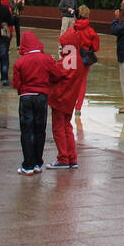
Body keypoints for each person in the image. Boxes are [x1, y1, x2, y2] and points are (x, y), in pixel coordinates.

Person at [46, 22, 85, 169]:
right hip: (69, 99)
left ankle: (63, 158)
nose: (62, 48)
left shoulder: (69, 59)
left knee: (58, 128)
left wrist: (49, 61)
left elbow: (55, 73)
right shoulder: (77, 59)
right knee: (67, 127)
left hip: (60, 98)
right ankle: (71, 157)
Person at [11, 32, 50, 175]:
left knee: (27, 131)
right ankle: (37, 164)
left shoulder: (20, 62)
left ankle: (27, 165)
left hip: (26, 97)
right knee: (40, 130)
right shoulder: (47, 59)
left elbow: (16, 83)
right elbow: (56, 74)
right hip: (42, 97)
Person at [71, 6, 99, 113]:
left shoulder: (73, 28)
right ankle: (78, 107)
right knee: (83, 82)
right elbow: (96, 47)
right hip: (85, 58)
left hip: (73, 57)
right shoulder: (90, 30)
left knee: (72, 81)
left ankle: (70, 103)